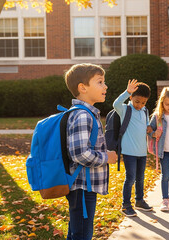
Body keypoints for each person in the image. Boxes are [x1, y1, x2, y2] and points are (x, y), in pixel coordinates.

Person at [64, 63, 118, 240]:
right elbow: (79, 154)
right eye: (100, 82)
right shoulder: (82, 115)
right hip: (82, 188)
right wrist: (107, 157)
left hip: (84, 186)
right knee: (82, 236)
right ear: (83, 88)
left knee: (76, 234)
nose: (105, 86)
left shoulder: (88, 113)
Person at [113, 79, 153, 217]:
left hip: (142, 151)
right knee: (130, 178)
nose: (140, 105)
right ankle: (125, 205)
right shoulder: (125, 109)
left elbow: (146, 125)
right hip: (129, 151)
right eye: (137, 101)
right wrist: (127, 91)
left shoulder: (145, 111)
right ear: (131, 98)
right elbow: (116, 103)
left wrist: (149, 129)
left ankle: (139, 200)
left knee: (140, 177)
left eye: (143, 102)